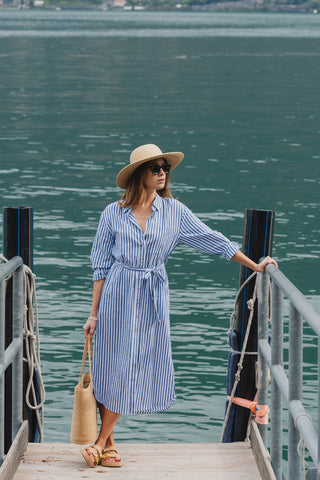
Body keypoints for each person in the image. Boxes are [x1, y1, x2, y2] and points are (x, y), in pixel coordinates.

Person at [81, 143, 278, 468]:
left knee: (133, 365)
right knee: (109, 366)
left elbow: (213, 240)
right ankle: (110, 444)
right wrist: (92, 313)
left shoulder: (174, 212)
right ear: (138, 175)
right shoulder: (112, 214)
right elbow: (100, 265)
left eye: (165, 168)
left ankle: (99, 441)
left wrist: (255, 265)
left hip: (151, 299)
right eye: (155, 168)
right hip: (117, 296)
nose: (162, 173)